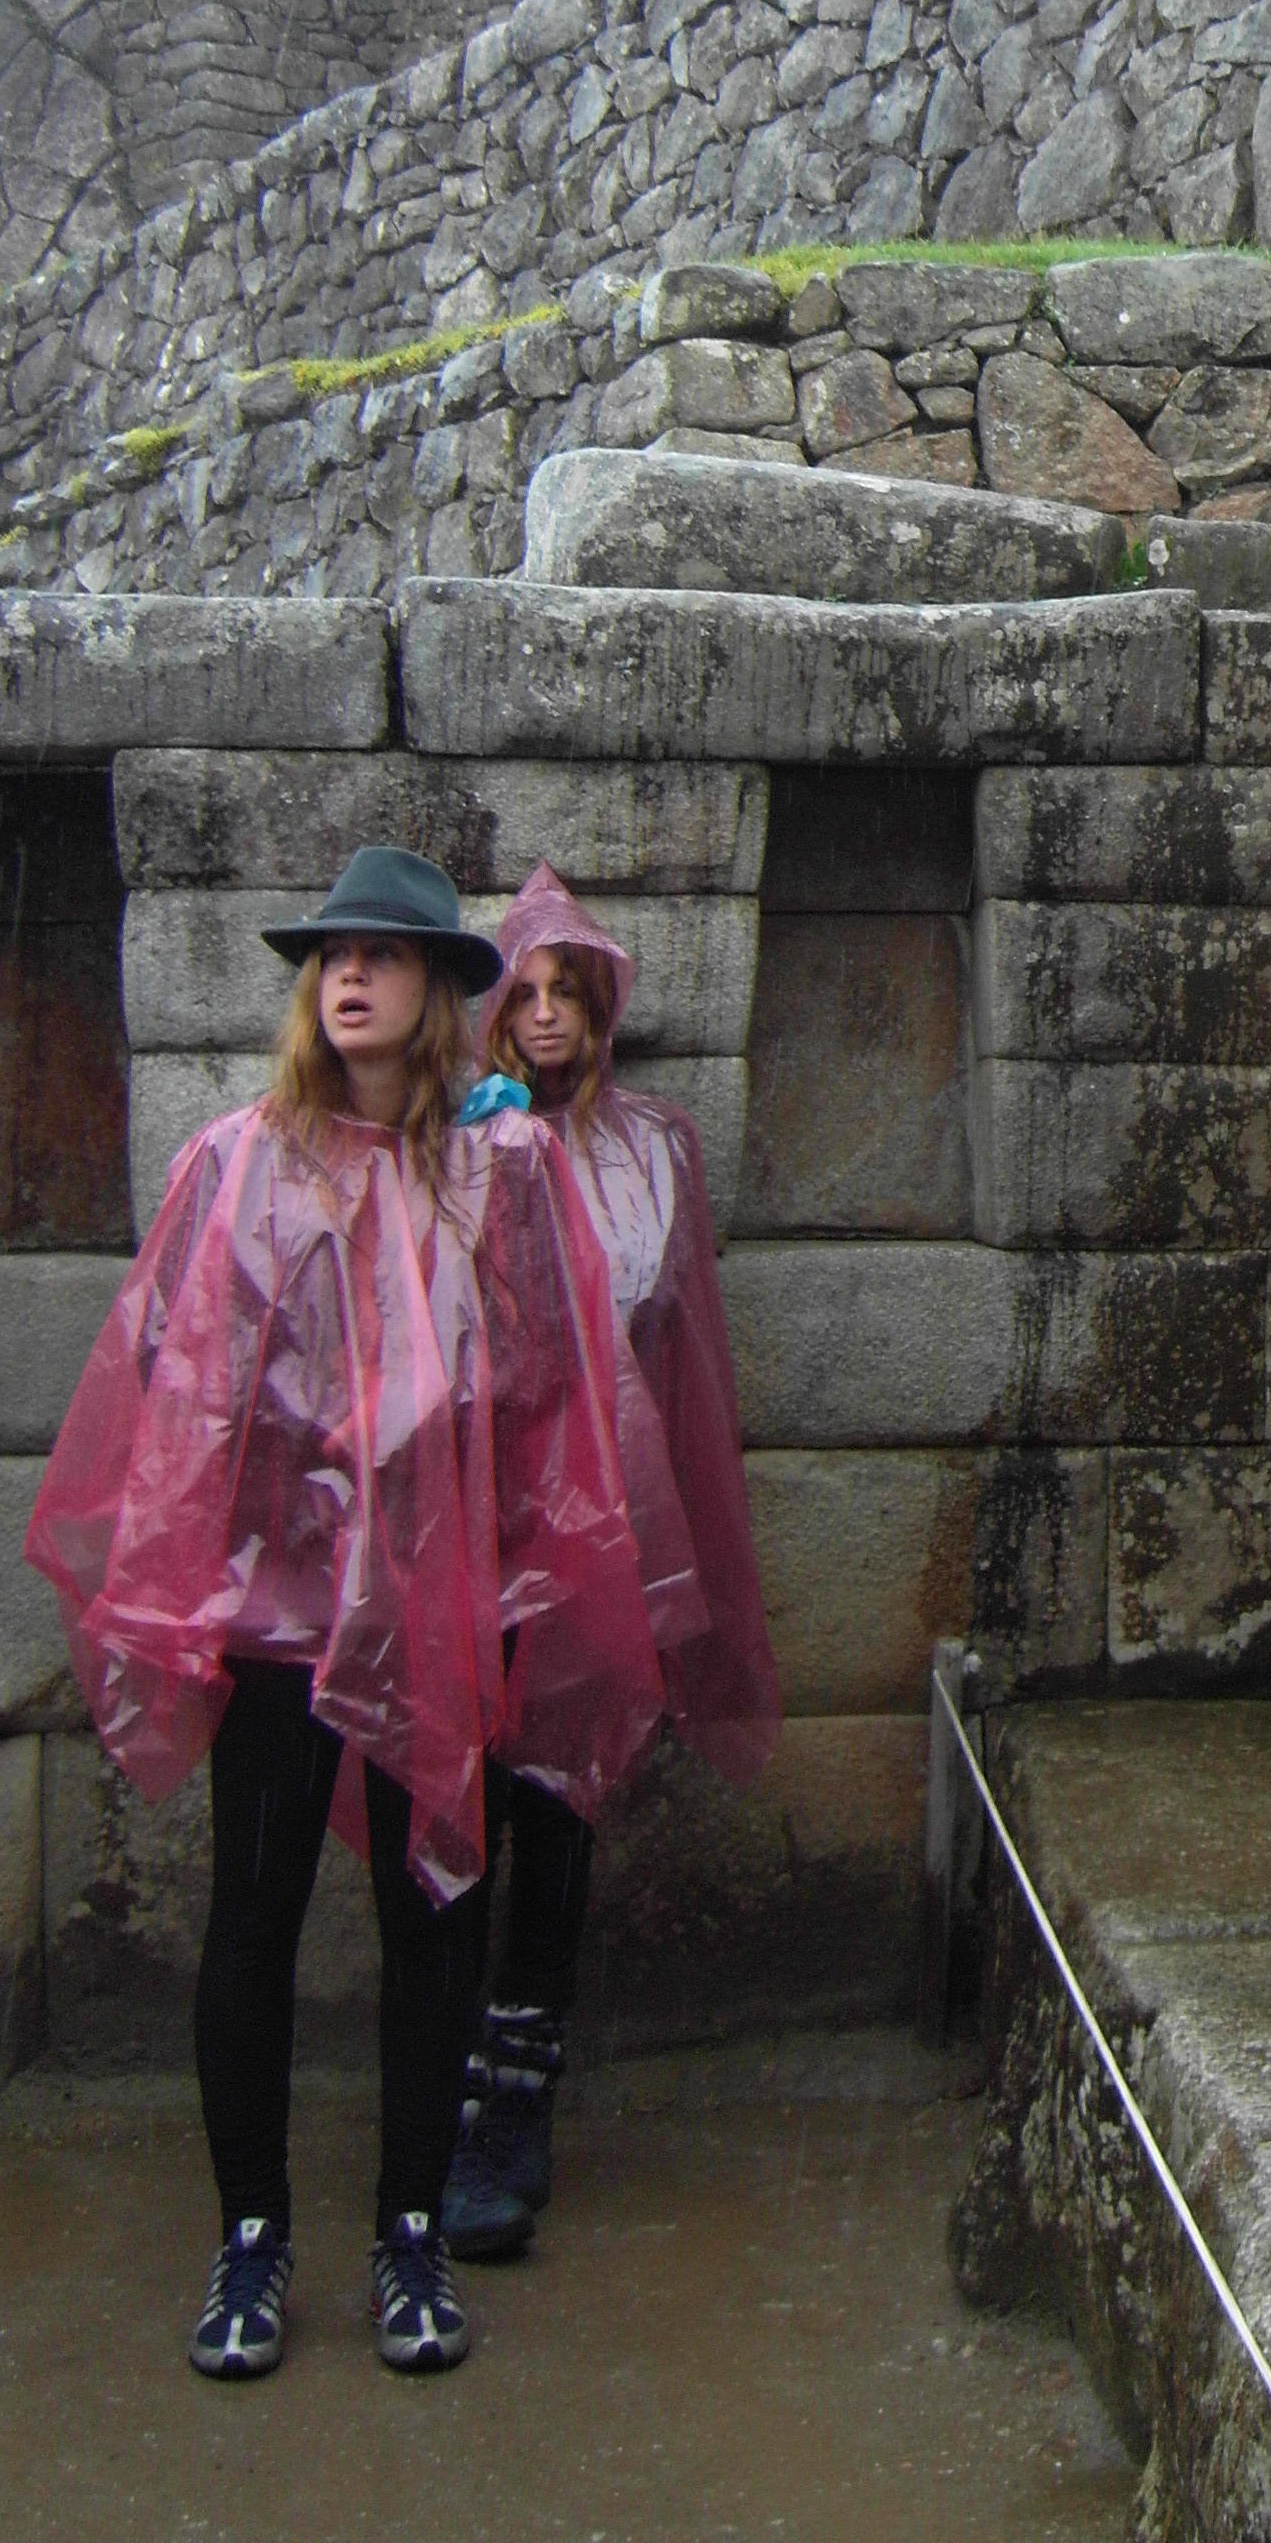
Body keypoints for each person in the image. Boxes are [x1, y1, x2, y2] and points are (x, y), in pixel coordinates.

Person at [26, 848, 674, 2385]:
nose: (349, 975)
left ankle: (410, 2231)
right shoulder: (238, 1162)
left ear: (441, 989)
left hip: (442, 1598)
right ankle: (251, 2238)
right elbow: (178, 1375)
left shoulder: (503, 1171)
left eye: (382, 953)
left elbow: (553, 1388)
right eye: (332, 956)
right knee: (252, 1912)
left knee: (432, 1906)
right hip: (278, 1604)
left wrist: (484, 1536)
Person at [442, 864, 780, 2260]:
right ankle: (441, 2087)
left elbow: (678, 1352)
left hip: (599, 1529)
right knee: (454, 1795)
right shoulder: (457, 1140)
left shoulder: (656, 1149)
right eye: (523, 992)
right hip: (474, 1524)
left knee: (559, 1797)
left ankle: (519, 2093)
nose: (544, 1015)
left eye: (566, 992)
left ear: (602, 1010)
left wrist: (674, 1542)